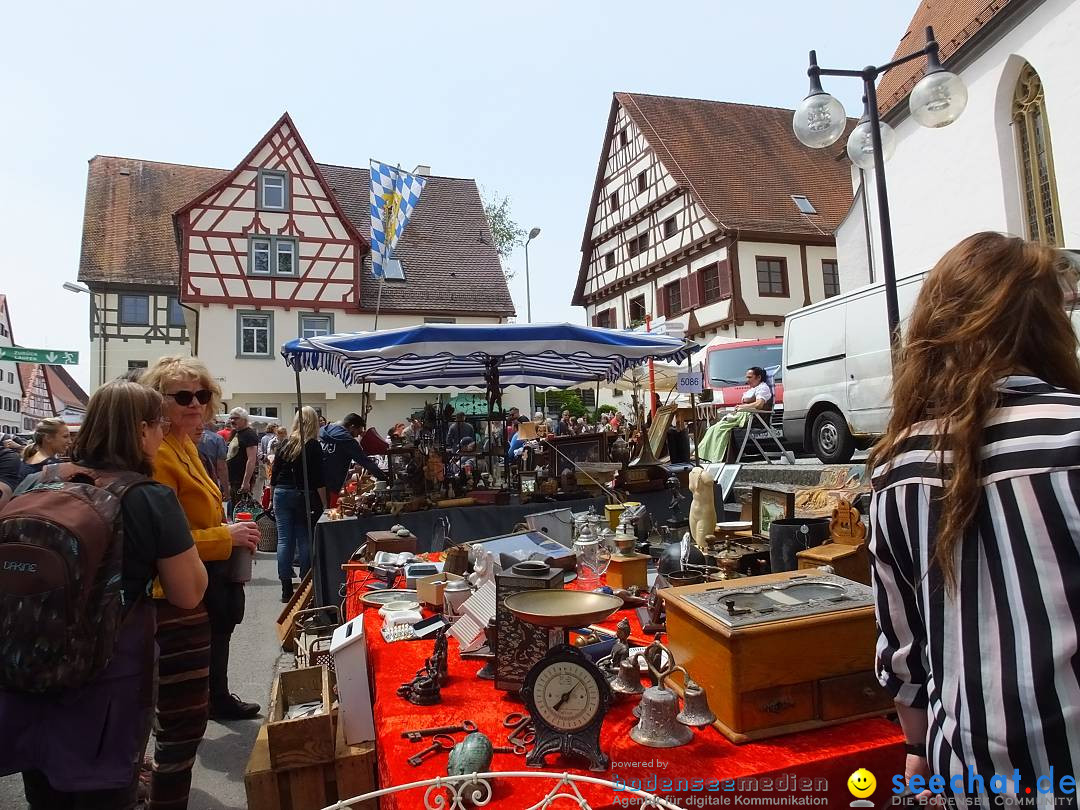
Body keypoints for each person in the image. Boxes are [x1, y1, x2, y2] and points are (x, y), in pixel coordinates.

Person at [868, 233, 1080, 799]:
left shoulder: (896, 464)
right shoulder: (1072, 433)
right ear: (1047, 324)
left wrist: (916, 747)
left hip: (965, 770)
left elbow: (903, 642)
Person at [0, 381, 206, 810]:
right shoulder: (148, 497)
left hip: (28, 666)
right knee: (107, 794)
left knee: (44, 793)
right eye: (158, 425)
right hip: (105, 681)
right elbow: (189, 592)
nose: (162, 433)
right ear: (142, 430)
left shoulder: (39, 481)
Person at [141, 357, 262, 810]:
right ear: (159, 401)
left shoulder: (185, 445)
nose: (196, 404)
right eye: (183, 396)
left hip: (205, 573)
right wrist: (223, 537)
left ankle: (217, 697)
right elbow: (160, 541)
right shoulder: (160, 453)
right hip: (177, 588)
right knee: (177, 713)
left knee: (213, 649)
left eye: (202, 395)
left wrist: (227, 536)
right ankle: (168, 794)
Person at [271, 406, 327, 602]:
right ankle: (305, 584)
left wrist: (271, 499)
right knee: (304, 538)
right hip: (302, 495)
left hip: (281, 493)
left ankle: (286, 587)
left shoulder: (285, 443)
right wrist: (324, 503)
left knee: (284, 540)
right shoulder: (312, 445)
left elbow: (274, 474)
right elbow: (319, 479)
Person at [320, 413, 385, 505]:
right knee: (329, 515)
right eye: (357, 432)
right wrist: (384, 478)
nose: (356, 436)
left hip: (317, 486)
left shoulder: (323, 431)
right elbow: (365, 462)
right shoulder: (348, 441)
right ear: (352, 427)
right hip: (332, 485)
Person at [225, 407, 259, 503]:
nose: (232, 421)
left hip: (241, 479)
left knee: (242, 511)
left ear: (244, 419)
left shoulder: (249, 434)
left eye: (236, 418)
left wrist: (246, 482)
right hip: (233, 479)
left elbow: (251, 459)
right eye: (231, 418)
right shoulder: (235, 433)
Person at [197, 421, 229, 496]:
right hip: (211, 481)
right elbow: (221, 467)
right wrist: (226, 490)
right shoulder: (218, 439)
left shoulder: (189, 437)